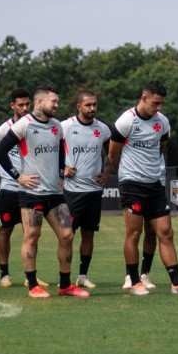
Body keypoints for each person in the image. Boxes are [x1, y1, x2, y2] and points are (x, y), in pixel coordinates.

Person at [104, 83, 178, 296]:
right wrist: (116, 175)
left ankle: (177, 283)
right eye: (155, 103)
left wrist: (157, 173)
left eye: (161, 104)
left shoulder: (162, 122)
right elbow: (113, 154)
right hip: (132, 183)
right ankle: (134, 280)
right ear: (144, 97)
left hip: (155, 184)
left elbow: (161, 147)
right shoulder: (126, 121)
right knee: (134, 232)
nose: (158, 108)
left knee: (165, 232)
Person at [0, 86, 87, 299]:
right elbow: (0, 151)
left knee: (67, 234)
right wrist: (18, 176)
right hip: (32, 193)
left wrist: (62, 174)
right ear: (40, 102)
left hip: (54, 193)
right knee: (32, 236)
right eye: (53, 101)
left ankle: (65, 285)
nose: (57, 105)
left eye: (57, 101)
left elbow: (62, 152)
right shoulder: (24, 124)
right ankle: (33, 285)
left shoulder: (56, 126)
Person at [61, 90, 112, 290]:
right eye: (88, 105)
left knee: (88, 234)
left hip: (94, 192)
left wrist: (107, 172)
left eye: (94, 105)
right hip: (69, 192)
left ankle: (83, 275)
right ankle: (64, 276)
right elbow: (51, 149)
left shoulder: (103, 129)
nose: (92, 109)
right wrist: (62, 168)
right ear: (78, 106)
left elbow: (113, 152)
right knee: (66, 235)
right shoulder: (65, 127)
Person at [0, 89, 36, 288]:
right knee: (5, 230)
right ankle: (4, 274)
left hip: (31, 189)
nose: (25, 108)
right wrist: (9, 175)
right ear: (12, 106)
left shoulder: (34, 126)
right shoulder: (3, 131)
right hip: (10, 188)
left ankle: (30, 275)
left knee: (31, 232)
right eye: (21, 105)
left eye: (28, 104)